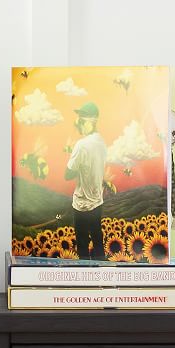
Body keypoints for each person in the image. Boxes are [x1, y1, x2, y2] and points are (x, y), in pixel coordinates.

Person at [65, 102, 108, 260]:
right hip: (97, 202)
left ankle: (85, 280)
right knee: (98, 242)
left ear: (91, 121)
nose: (79, 124)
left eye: (82, 121)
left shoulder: (81, 145)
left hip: (82, 204)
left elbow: (67, 174)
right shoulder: (102, 143)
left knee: (82, 246)